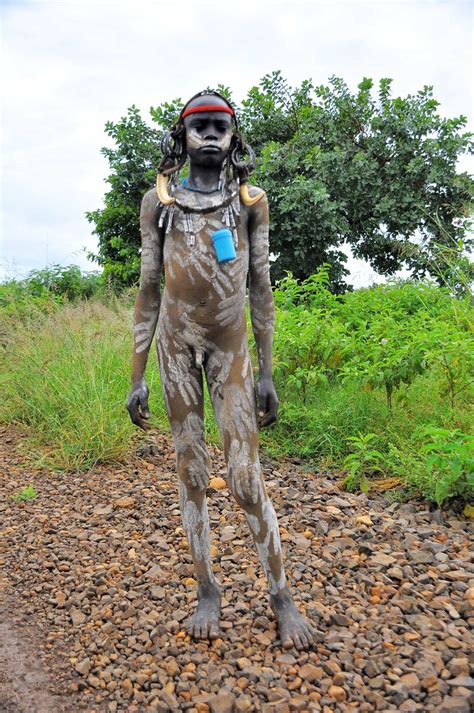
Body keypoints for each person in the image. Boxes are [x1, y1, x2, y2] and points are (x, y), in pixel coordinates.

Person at [127, 91, 316, 650]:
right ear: (181, 137)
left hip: (231, 350)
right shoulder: (159, 203)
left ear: (235, 137)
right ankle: (206, 589)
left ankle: (281, 595)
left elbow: (260, 285)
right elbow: (148, 288)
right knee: (190, 472)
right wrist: (136, 374)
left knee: (243, 478)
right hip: (177, 350)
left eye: (220, 127)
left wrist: (268, 371)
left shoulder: (250, 202)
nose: (210, 135)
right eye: (200, 127)